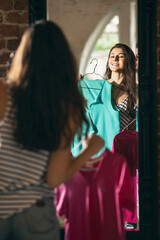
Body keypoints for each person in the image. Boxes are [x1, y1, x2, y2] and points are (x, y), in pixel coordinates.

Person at [0, 19, 104, 240]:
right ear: (63, 61)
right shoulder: (66, 108)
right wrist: (89, 149)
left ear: (23, 54)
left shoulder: (3, 93)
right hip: (35, 212)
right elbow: (54, 178)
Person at [105, 43, 137, 131]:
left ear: (128, 61)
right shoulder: (99, 87)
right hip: (101, 141)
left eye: (121, 56)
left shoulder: (135, 91)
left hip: (123, 142)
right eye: (112, 56)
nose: (115, 59)